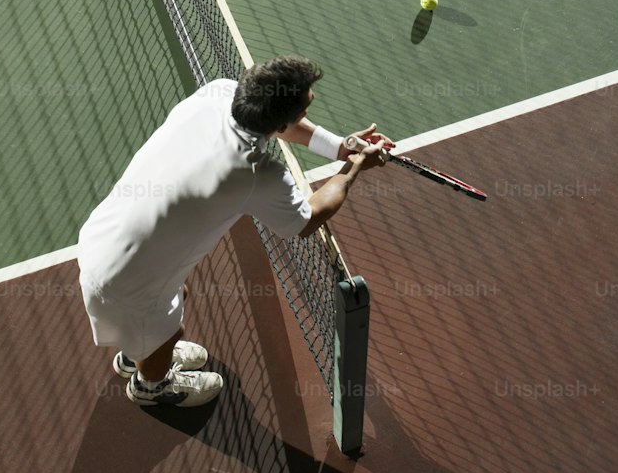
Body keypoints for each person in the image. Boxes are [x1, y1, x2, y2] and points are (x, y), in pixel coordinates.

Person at [77, 55, 394, 408]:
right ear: (285, 120)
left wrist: (338, 147)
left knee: (174, 293)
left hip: (100, 236)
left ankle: (135, 348)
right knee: (168, 331)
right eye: (304, 109)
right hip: (123, 283)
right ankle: (151, 384)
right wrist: (352, 168)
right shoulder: (255, 172)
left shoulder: (218, 92)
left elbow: (284, 125)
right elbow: (309, 219)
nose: (307, 111)